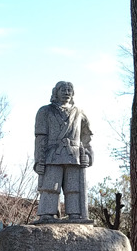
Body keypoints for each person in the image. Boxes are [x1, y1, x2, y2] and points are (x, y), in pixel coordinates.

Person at [33, 81, 93, 222]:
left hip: (74, 155)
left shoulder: (79, 112)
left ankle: (75, 214)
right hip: (52, 155)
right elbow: (40, 138)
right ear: (56, 92)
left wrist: (88, 156)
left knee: (73, 188)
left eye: (69, 90)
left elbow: (87, 137)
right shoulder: (45, 111)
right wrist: (38, 160)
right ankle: (47, 214)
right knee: (50, 187)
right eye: (63, 90)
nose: (66, 92)